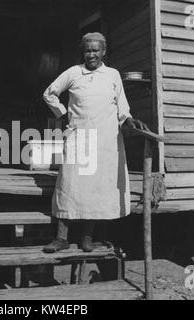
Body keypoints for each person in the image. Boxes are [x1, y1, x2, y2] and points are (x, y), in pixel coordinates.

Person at [42, 32, 148, 253]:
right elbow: (49, 93)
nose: (91, 54)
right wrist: (62, 114)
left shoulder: (112, 75)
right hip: (78, 137)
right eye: (88, 50)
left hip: (105, 140)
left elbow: (122, 106)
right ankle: (61, 237)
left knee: (96, 188)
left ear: (104, 51)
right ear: (83, 52)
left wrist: (129, 120)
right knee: (69, 185)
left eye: (95, 50)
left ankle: (87, 237)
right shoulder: (73, 72)